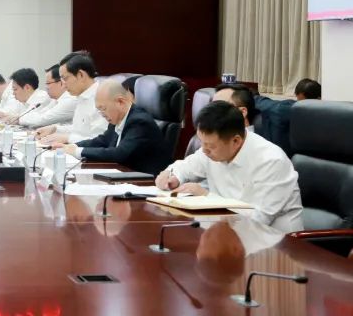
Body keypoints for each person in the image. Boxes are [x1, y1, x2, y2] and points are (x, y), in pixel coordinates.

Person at [156, 101, 303, 232]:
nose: (204, 150)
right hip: (225, 233)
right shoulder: (210, 150)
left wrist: (206, 197)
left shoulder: (271, 161)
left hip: (275, 242)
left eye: (210, 146)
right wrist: (172, 176)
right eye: (202, 143)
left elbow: (258, 220)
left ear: (236, 141)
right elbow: (185, 167)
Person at [55, 80, 171, 175]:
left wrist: (77, 151)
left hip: (144, 182)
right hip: (123, 175)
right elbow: (103, 140)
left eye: (103, 109)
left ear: (120, 102)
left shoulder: (139, 122)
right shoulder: (117, 117)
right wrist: (73, 146)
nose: (102, 114)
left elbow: (119, 154)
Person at [36, 52, 107, 144]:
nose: (63, 85)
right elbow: (79, 130)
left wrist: (67, 138)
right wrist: (55, 129)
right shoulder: (82, 97)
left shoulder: (102, 97)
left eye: (65, 79)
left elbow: (100, 140)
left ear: (81, 75)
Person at [19, 64, 77, 129]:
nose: (46, 87)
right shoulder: (55, 100)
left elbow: (42, 120)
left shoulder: (70, 100)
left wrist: (19, 119)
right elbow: (41, 113)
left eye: (48, 83)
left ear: (61, 82)